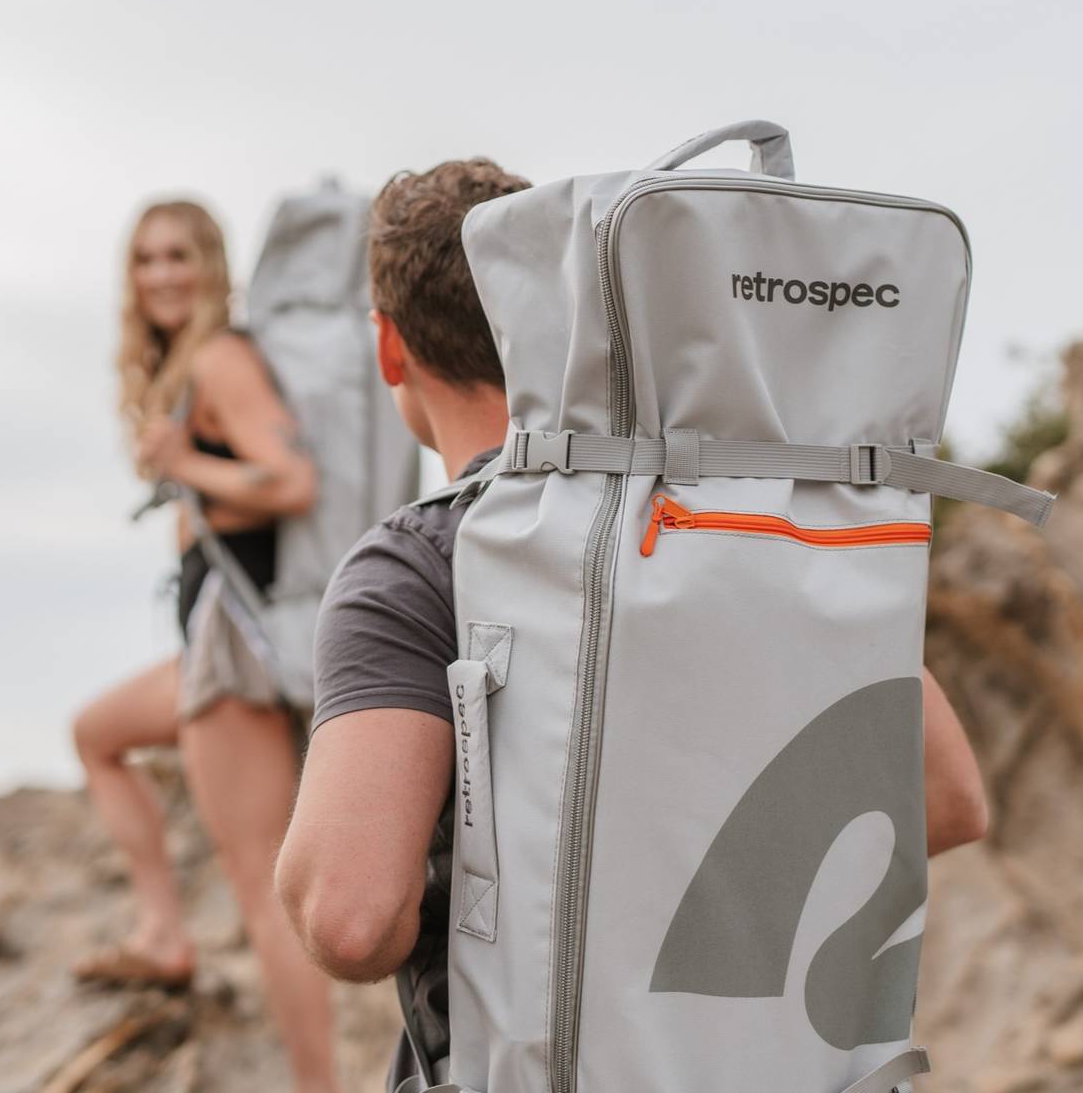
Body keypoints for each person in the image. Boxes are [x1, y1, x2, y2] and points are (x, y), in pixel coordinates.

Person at [275, 160, 991, 1086]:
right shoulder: (740, 532)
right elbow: (948, 801)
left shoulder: (415, 565)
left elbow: (351, 918)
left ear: (389, 348)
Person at [74, 200, 342, 1093]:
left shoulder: (224, 359)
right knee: (97, 732)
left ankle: (319, 1087)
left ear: (211, 265)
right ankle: (163, 933)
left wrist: (184, 464)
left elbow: (291, 479)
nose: (161, 275)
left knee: (265, 894)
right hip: (210, 646)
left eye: (179, 256)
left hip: (234, 658)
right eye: (145, 259)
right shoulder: (188, 368)